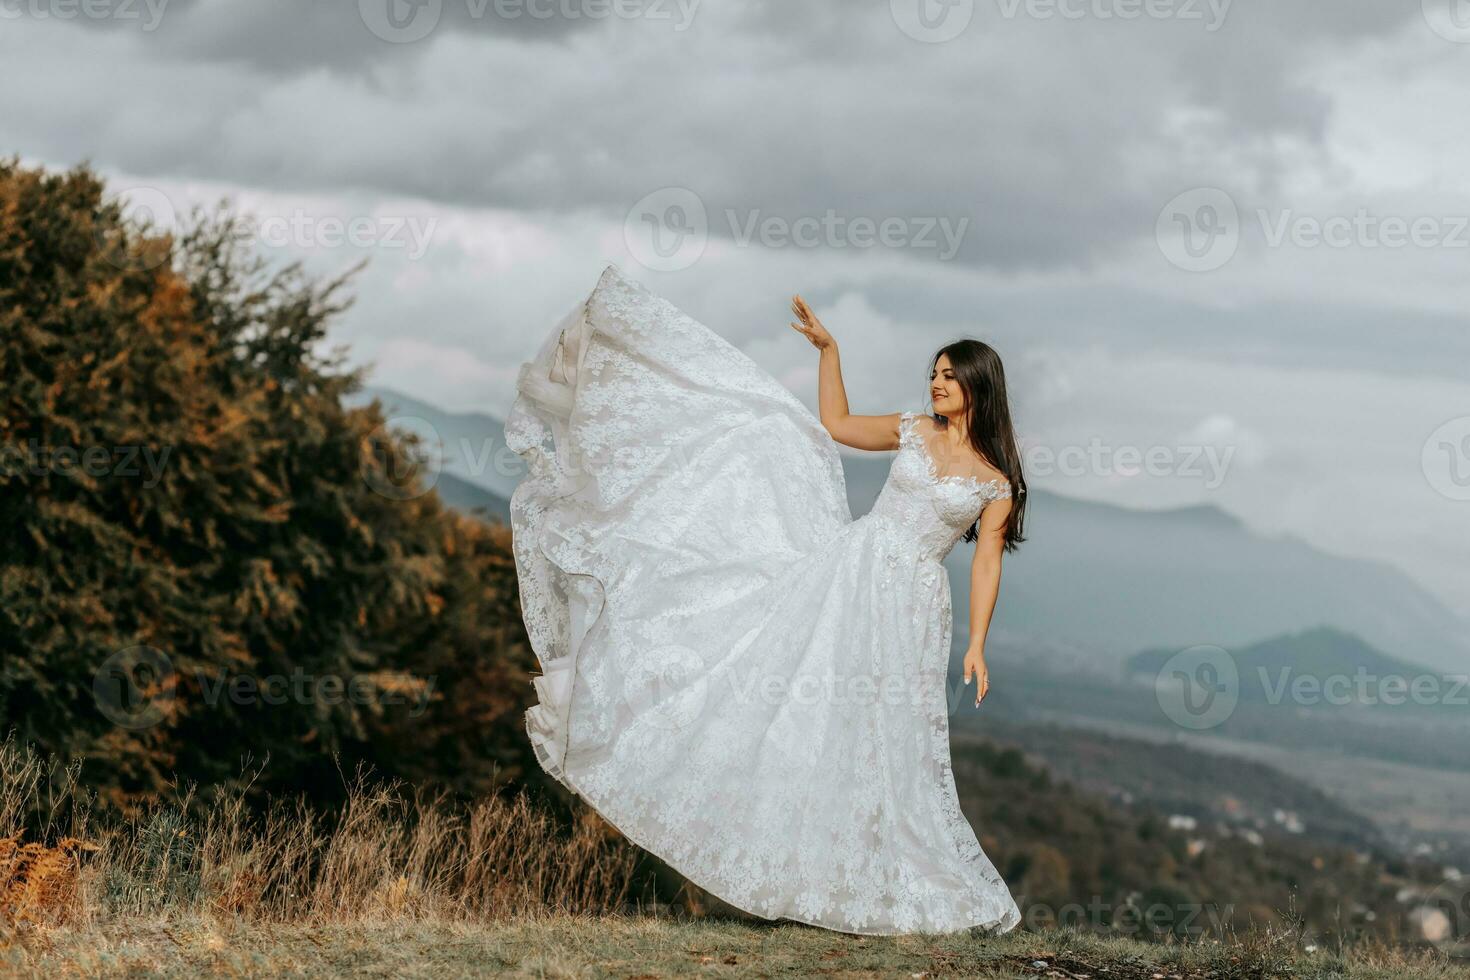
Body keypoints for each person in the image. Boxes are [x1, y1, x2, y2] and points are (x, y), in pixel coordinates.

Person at [508, 264, 1025, 935]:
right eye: (935, 372)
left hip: (914, 602)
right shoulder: (913, 431)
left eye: (950, 375)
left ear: (979, 385)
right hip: (854, 569)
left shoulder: (994, 482)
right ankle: (795, 855)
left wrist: (978, 644)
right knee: (803, 699)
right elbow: (835, 423)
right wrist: (830, 352)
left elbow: (987, 563)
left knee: (884, 730)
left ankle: (877, 870)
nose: (936, 382)